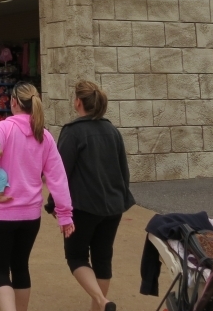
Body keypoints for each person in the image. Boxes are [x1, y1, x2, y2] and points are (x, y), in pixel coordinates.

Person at [0, 82, 74, 311]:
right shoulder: (43, 135)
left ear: (13, 102)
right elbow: (58, 178)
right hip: (30, 215)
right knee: (21, 267)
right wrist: (65, 215)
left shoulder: (3, 128)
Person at [51, 81, 133, 311]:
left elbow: (61, 173)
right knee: (103, 259)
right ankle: (98, 307)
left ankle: (102, 301)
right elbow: (123, 170)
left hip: (84, 207)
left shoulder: (73, 131)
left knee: (76, 257)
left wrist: (54, 204)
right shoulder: (112, 130)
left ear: (78, 102)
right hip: (113, 205)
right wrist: (121, 198)